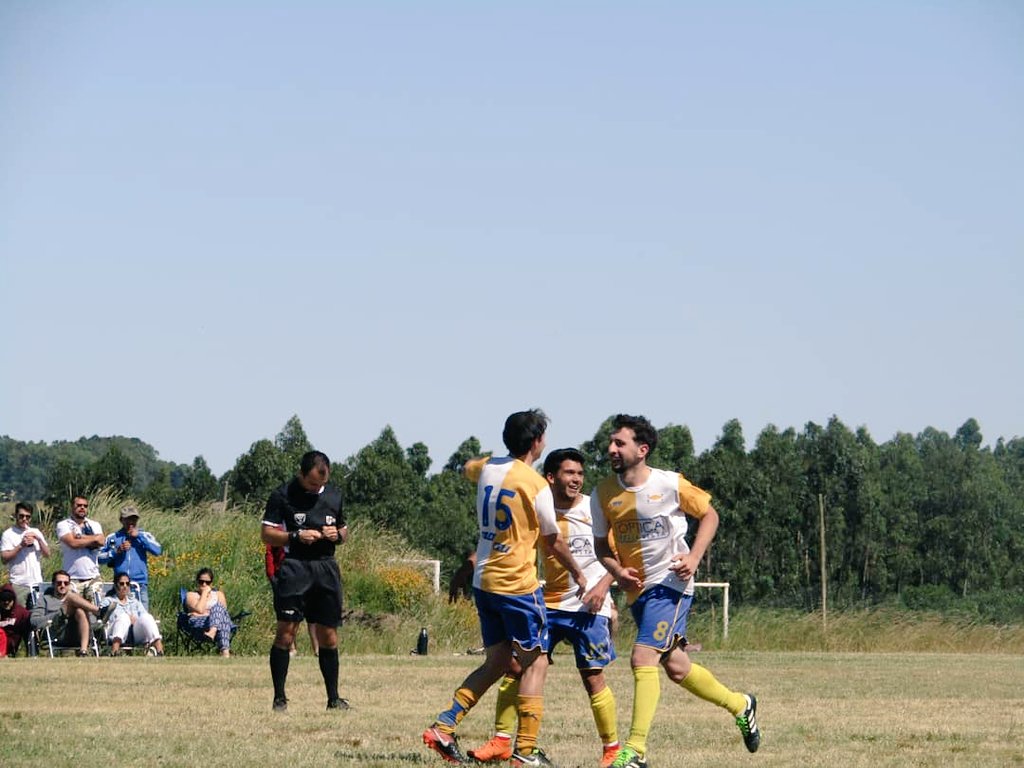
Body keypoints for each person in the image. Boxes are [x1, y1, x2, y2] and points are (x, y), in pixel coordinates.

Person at [592, 414, 760, 768]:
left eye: (619, 443)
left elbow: (710, 515)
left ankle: (635, 751)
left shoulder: (669, 483)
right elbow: (600, 548)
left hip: (671, 584)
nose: (611, 449)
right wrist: (618, 572)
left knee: (642, 657)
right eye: (611, 442)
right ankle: (741, 705)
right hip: (639, 593)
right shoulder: (604, 492)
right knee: (677, 667)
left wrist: (694, 557)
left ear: (642, 449)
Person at [423, 409, 588, 767]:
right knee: (536, 662)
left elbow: (467, 466)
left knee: (498, 660)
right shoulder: (534, 483)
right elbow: (552, 541)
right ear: (536, 443)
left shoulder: (487, 468)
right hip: (516, 586)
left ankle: (444, 725)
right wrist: (580, 573)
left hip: (484, 582)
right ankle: (526, 751)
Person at [469, 447, 622, 767]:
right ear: (550, 478)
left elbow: (618, 559)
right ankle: (501, 741)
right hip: (547, 604)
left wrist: (602, 589)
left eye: (580, 473)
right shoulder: (538, 505)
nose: (577, 479)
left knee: (592, 676)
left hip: (589, 608)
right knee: (516, 668)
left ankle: (611, 749)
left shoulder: (594, 510)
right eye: (569, 473)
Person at [261, 450, 348, 712]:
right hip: (295, 568)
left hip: (326, 568)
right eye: (312, 483)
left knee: (329, 636)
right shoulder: (282, 494)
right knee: (286, 633)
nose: (317, 488)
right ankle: (279, 699)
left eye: (321, 484)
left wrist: (338, 535)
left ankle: (333, 699)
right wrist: (295, 537)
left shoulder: (334, 495)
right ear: (301, 474)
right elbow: (266, 534)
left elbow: (344, 528)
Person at [265, 527, 319, 657]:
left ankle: (317, 649)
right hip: (282, 576)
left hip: (306, 574)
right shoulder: (277, 531)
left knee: (313, 614)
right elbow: (269, 553)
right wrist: (272, 576)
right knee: (288, 614)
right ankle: (291, 648)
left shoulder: (307, 527)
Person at [98, 505, 162, 609]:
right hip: (120, 585)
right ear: (121, 520)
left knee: (142, 619)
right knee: (119, 617)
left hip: (139, 585)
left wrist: (139, 536)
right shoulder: (113, 537)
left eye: (134, 519)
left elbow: (158, 550)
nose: (131, 522)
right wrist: (115, 552)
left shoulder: (144, 535)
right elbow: (99, 558)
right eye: (127, 519)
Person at [29, 569, 103, 656]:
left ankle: (83, 651)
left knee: (79, 611)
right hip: (56, 630)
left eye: (66, 583)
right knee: (71, 598)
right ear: (53, 584)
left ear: (69, 585)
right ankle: (99, 611)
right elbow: (34, 621)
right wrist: (57, 614)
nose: (62, 585)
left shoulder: (79, 601)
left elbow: (92, 621)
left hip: (77, 632)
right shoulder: (45, 599)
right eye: (59, 583)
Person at [100, 574, 164, 655]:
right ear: (116, 585)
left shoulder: (134, 602)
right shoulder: (108, 601)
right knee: (123, 617)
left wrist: (135, 620)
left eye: (127, 583)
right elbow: (101, 615)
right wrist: (128, 618)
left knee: (147, 617)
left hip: (134, 632)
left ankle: (160, 651)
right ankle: (114, 651)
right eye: (122, 584)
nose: (125, 586)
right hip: (115, 630)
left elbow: (143, 617)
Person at [1, 502, 51, 606]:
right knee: (21, 616)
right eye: (21, 516)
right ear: (16, 515)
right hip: (19, 584)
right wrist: (21, 546)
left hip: (36, 583)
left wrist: (39, 539)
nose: (24, 519)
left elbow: (47, 554)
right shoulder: (8, 534)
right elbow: (4, 559)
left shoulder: (35, 531)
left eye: (27, 517)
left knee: (37, 614)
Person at [56, 495, 105, 601]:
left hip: (93, 577)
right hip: (72, 577)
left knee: (95, 609)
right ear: (72, 507)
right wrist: (93, 539)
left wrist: (79, 537)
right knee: (75, 612)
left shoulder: (94, 525)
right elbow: (72, 543)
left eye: (85, 506)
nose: (82, 508)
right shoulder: (63, 525)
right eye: (79, 505)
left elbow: (101, 541)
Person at [184, 567, 234, 657]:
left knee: (219, 608)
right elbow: (200, 609)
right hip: (199, 623)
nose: (204, 584)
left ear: (211, 583)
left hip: (215, 621)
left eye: (207, 582)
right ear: (197, 581)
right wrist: (204, 593)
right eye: (201, 581)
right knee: (221, 616)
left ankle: (212, 631)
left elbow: (224, 613)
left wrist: (208, 613)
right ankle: (225, 652)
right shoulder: (191, 595)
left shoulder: (219, 594)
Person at [0, 584, 31, 657]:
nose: (6, 602)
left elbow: (31, 622)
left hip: (11, 649)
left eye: (9, 599)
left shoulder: (21, 613)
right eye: (3, 599)